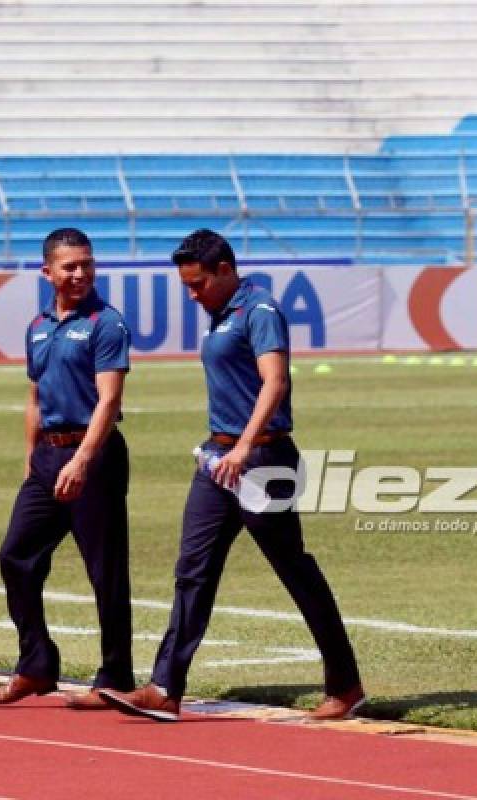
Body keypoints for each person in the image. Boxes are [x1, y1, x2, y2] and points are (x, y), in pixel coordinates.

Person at [99, 229, 364, 722]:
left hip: (264, 460)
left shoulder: (259, 311)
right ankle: (164, 687)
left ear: (225, 269)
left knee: (294, 570)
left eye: (198, 284)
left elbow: (276, 382)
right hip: (219, 461)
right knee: (192, 571)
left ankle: (345, 684)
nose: (192, 294)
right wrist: (220, 448)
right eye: (186, 286)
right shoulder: (219, 314)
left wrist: (243, 446)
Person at [0, 228, 135, 710]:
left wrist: (84, 458)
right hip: (48, 457)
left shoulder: (107, 323)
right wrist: (31, 457)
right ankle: (36, 665)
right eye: (69, 266)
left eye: (87, 264)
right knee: (15, 556)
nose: (80, 273)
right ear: (47, 272)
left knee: (105, 572)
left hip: (94, 454)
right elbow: (34, 393)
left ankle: (116, 677)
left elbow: (110, 398)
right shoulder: (38, 325)